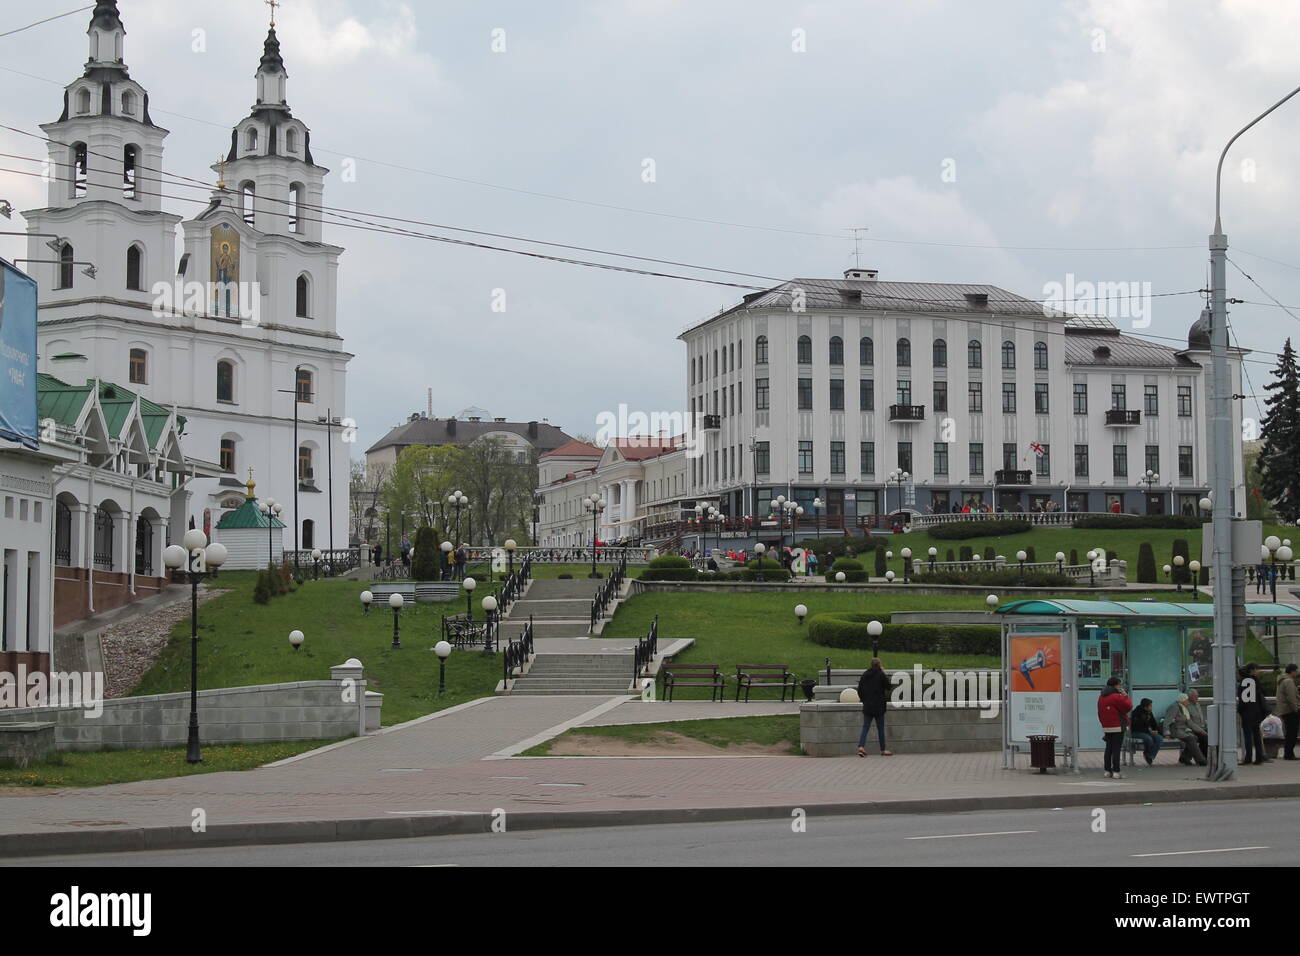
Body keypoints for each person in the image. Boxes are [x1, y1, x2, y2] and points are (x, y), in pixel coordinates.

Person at [856, 658, 893, 756]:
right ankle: (883, 750)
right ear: (879, 665)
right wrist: (884, 672)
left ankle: (861, 747)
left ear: (871, 665)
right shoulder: (881, 674)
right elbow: (888, 686)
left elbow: (859, 690)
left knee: (865, 727)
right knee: (880, 728)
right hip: (879, 706)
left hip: (868, 705)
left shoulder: (865, 675)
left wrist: (864, 700)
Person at [1097, 676, 1132, 778]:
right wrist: (1125, 696)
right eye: (1119, 684)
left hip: (1107, 726)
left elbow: (1099, 712)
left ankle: (1107, 771)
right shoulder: (1116, 696)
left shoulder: (1101, 696)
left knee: (1108, 748)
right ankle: (1116, 771)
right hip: (1117, 725)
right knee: (1116, 748)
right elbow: (1127, 706)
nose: (1120, 686)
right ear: (1116, 685)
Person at [1238, 662, 1270, 765]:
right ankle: (1259, 758)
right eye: (1257, 669)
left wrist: (1239, 710)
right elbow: (1263, 692)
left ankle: (1248, 758)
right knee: (1256, 736)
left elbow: (1242, 699)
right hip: (1256, 712)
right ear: (1252, 670)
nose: (1258, 671)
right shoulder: (1255, 681)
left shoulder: (1244, 682)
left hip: (1247, 712)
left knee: (1248, 736)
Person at [1165, 694, 1207, 765]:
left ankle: (1184, 758)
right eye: (1187, 700)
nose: (1188, 702)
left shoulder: (1184, 708)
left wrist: (1202, 731)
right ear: (1182, 700)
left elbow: (1190, 723)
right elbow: (1167, 721)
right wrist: (1166, 732)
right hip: (1175, 729)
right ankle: (1201, 760)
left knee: (1194, 738)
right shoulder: (1174, 707)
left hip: (1182, 729)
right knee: (1191, 739)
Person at [1130, 698, 1163, 766]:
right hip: (1136, 732)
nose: (1151, 707)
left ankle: (1150, 756)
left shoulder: (1149, 713)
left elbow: (1153, 723)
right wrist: (1150, 731)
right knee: (1149, 739)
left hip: (1147, 732)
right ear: (1145, 707)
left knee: (1159, 738)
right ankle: (1147, 753)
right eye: (1150, 706)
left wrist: (1157, 731)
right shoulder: (1136, 713)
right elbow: (1137, 726)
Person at [1277, 663, 1299, 760]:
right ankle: (1289, 754)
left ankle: (1288, 753)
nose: (1297, 673)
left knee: (1289, 733)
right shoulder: (1289, 681)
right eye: (1296, 671)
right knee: (1292, 733)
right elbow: (1291, 697)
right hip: (1290, 711)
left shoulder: (1282, 680)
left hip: (1285, 710)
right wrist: (1296, 709)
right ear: (1292, 671)